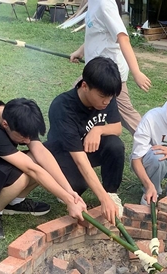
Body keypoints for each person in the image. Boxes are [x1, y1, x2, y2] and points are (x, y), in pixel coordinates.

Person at [0, 98, 86, 240]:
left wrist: (70, 192)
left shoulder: (20, 118)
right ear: (5, 124)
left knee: (39, 160)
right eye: (23, 137)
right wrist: (68, 200)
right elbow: (32, 170)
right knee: (21, 174)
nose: (27, 141)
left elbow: (42, 154)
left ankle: (14, 202)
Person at [45, 56, 124, 225]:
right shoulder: (63, 107)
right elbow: (80, 160)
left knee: (115, 145)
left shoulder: (106, 95)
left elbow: (117, 128)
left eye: (110, 97)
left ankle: (111, 193)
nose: (106, 102)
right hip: (64, 155)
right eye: (102, 96)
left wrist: (98, 130)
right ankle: (66, 186)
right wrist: (102, 199)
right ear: (85, 86)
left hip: (86, 149)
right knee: (79, 184)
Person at [70, 0, 151, 134]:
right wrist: (80, 51)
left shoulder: (105, 4)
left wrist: (136, 72)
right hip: (95, 70)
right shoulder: (93, 2)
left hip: (110, 73)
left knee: (127, 116)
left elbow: (123, 38)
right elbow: (97, 31)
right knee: (73, 98)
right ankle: (78, 134)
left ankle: (152, 142)